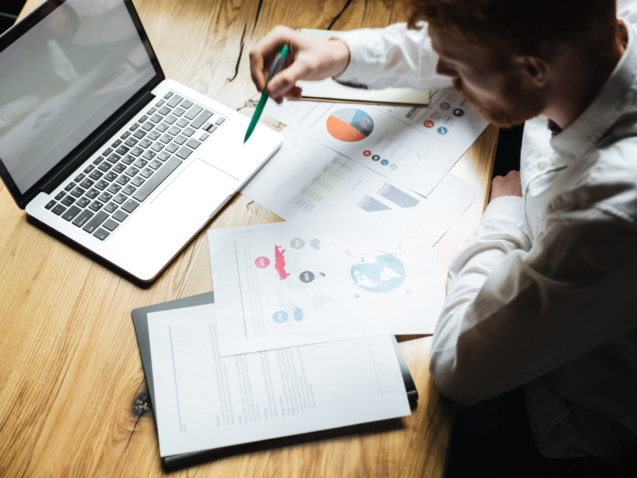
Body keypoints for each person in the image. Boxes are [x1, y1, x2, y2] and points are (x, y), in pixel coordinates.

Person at [249, 0, 637, 476]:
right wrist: (338, 52)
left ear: (534, 69)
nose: (451, 79)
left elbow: (458, 367)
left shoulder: (608, 208)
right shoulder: (594, 36)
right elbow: (476, 44)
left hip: (569, 403)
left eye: (458, 73)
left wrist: (506, 214)